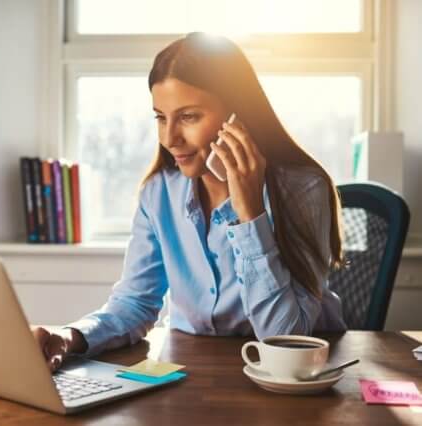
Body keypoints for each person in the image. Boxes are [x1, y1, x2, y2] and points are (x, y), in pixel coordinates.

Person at [32, 32, 346, 371]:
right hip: (190, 372)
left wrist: (250, 213)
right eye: (161, 117)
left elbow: (285, 338)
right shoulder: (159, 193)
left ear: (237, 116)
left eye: (188, 117)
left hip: (294, 380)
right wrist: (70, 336)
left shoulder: (302, 189)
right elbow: (135, 304)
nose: (169, 138)